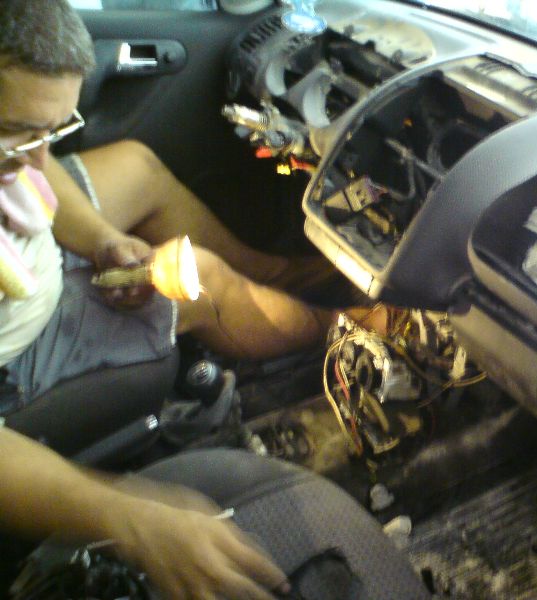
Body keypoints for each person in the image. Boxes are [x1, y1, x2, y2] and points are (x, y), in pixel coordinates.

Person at [0, 1, 379, 597]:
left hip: (23, 256)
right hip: (16, 350)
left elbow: (34, 176)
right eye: (17, 135)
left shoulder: (23, 162)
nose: (38, 160)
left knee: (137, 168)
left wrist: (100, 241)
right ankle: (348, 326)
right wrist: (129, 516)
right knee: (200, 278)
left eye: (50, 133)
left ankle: (287, 274)